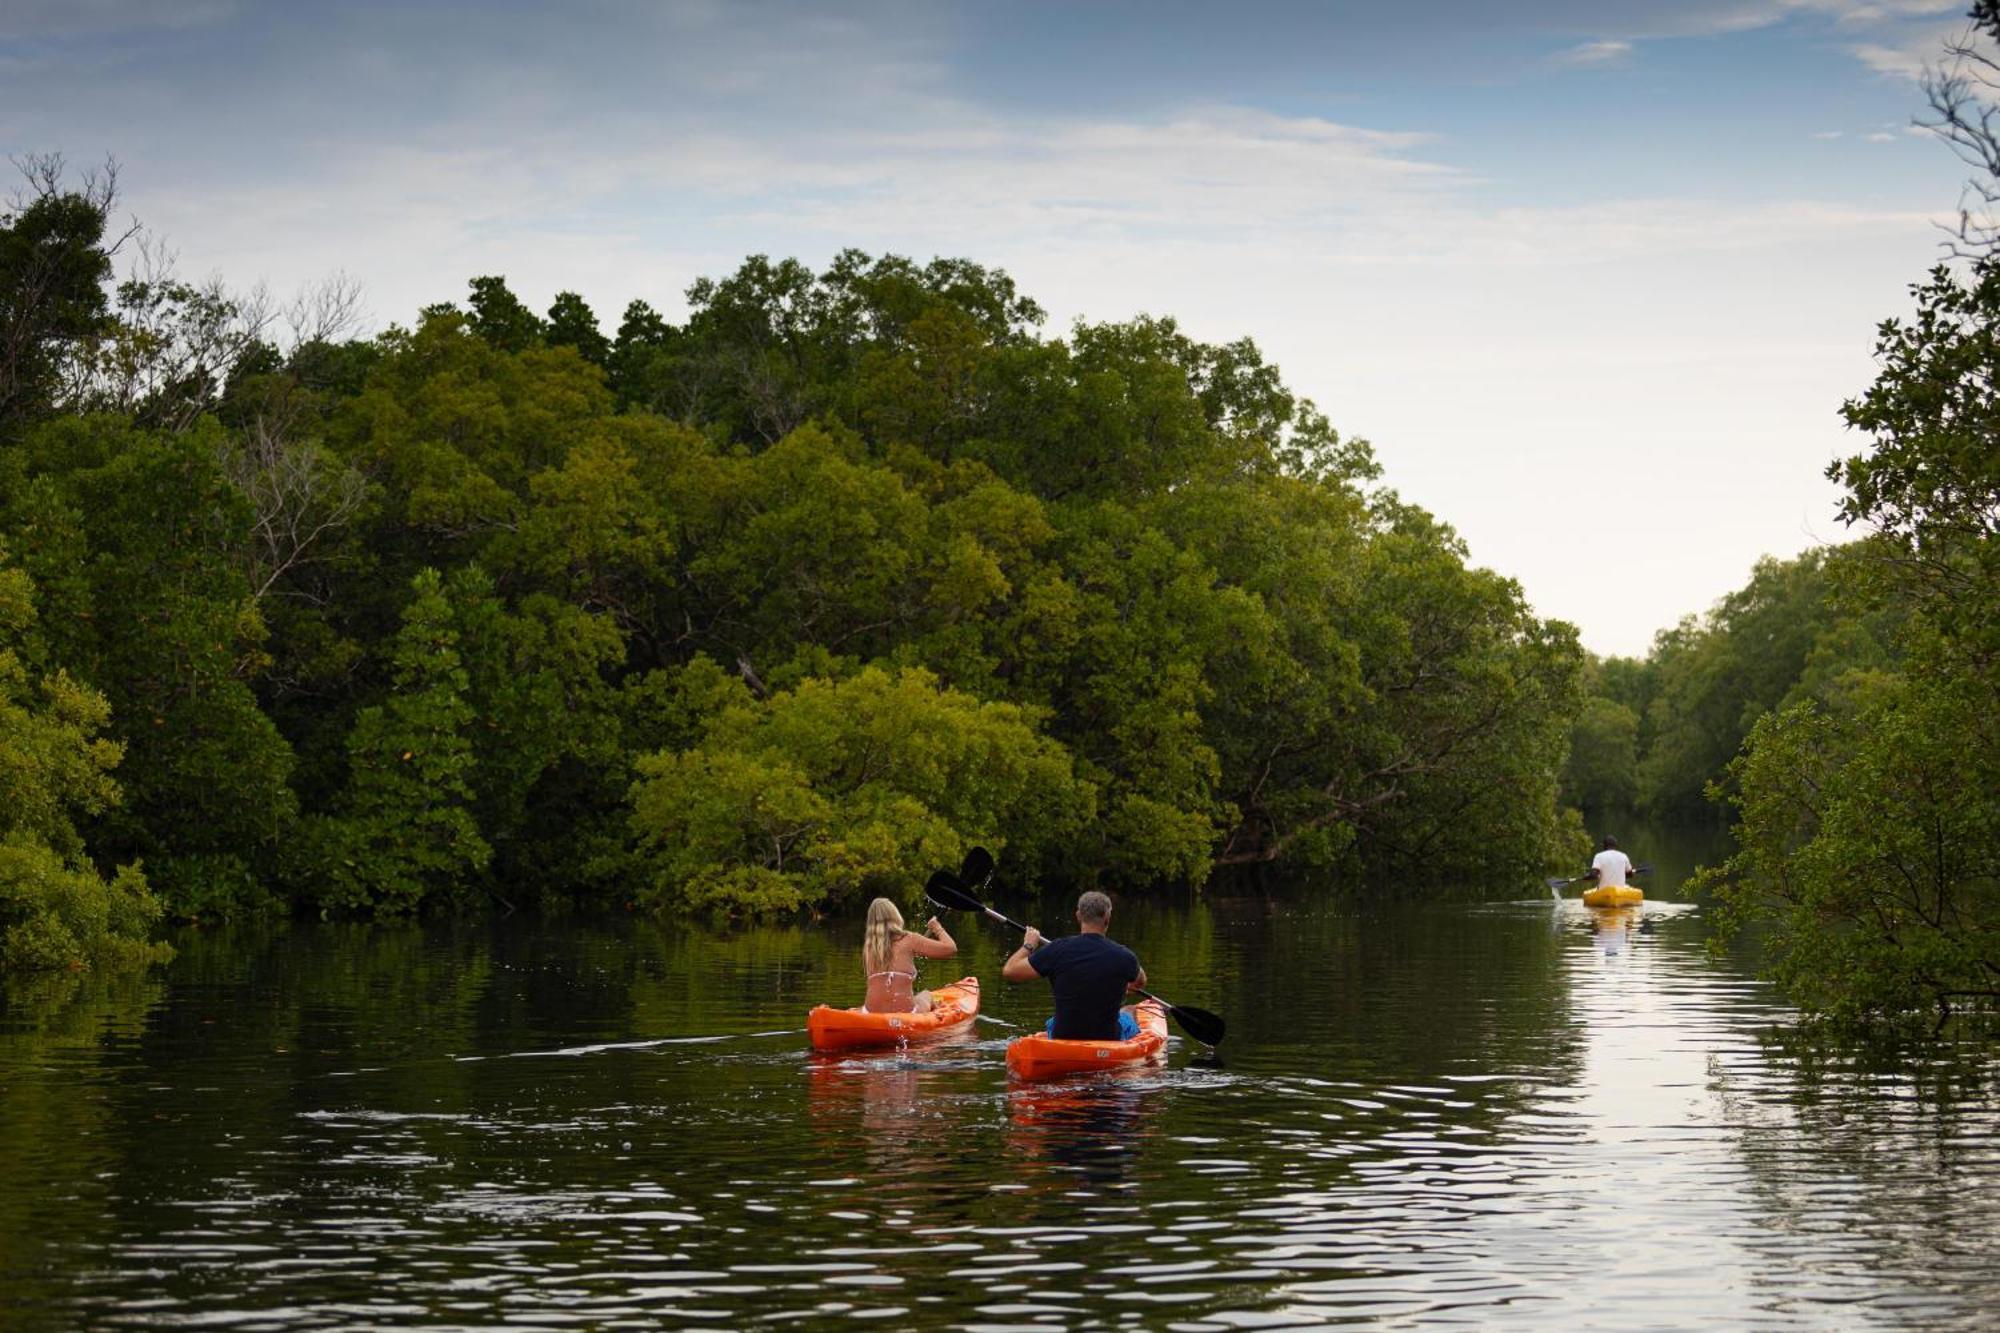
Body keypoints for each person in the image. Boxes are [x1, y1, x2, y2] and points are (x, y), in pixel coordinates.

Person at [1001, 890, 1147, 1040]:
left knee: (1053, 1021)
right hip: (1108, 1038)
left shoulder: (1057, 949)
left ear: (1078, 916)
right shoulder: (1124, 956)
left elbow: (1010, 971)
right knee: (1129, 1010)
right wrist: (1125, 985)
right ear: (1108, 918)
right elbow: (1140, 981)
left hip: (1063, 1035)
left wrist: (1029, 945)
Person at [861, 897, 956, 1014]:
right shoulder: (910, 939)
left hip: (869, 1012)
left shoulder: (869, 946)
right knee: (926, 994)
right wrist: (937, 927)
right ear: (895, 916)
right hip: (907, 1013)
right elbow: (950, 949)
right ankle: (936, 1013)